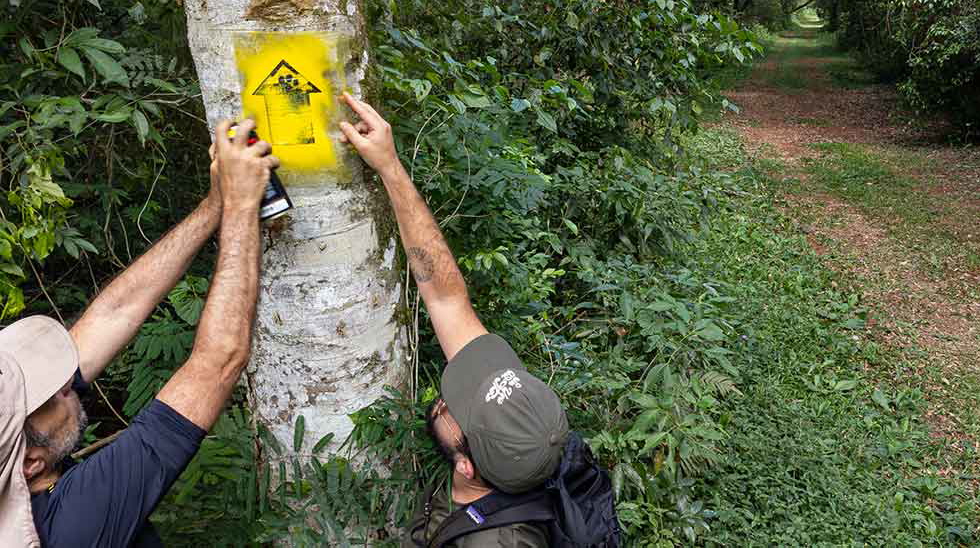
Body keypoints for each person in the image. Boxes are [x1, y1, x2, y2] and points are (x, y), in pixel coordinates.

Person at [0, 119, 277, 547]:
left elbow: (114, 313)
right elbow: (217, 363)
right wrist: (243, 206)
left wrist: (216, 204)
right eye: (54, 394)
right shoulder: (72, 520)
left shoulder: (20, 451)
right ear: (32, 464)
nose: (68, 382)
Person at [337, 93, 571, 547]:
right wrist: (391, 168)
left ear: (467, 466)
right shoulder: (514, 450)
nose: (445, 396)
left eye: (455, 408)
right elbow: (445, 296)